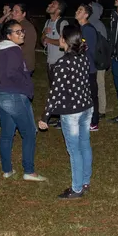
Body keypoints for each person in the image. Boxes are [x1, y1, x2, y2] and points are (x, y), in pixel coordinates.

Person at [38, 25, 94, 200]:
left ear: (65, 40)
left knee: (74, 149)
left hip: (72, 112)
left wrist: (45, 116)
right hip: (86, 107)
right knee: (84, 144)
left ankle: (77, 188)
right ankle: (85, 181)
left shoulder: (63, 63)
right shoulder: (83, 58)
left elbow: (55, 92)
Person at [0, 20, 46, 181]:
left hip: (2, 94)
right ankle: (29, 171)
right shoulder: (13, 50)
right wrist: (26, 87)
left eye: (22, 30)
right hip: (15, 96)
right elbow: (12, 73)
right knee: (30, 133)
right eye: (17, 32)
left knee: (7, 134)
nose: (22, 34)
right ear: (8, 35)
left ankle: (7, 170)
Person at [76, 4, 101, 130]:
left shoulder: (88, 29)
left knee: (91, 95)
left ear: (86, 15)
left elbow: (89, 50)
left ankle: (94, 121)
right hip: (82, 68)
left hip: (89, 68)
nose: (76, 12)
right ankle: (85, 118)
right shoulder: (81, 28)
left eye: (80, 10)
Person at [89, 2, 108, 118]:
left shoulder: (98, 25)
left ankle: (101, 110)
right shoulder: (89, 23)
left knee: (99, 84)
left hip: (98, 61)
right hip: (90, 60)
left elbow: (102, 45)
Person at [11, 3, 38, 75]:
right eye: (13, 10)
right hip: (20, 64)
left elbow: (26, 47)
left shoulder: (26, 27)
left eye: (16, 11)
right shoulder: (19, 25)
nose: (13, 13)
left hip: (24, 66)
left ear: (23, 14)